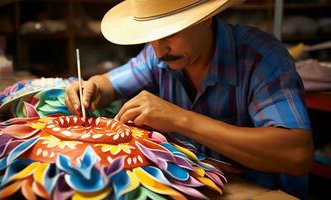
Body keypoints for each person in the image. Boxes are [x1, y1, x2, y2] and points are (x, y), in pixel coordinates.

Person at [65, 0, 313, 198]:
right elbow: (109, 84)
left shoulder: (261, 57)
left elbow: (296, 154)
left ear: (205, 18)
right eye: (152, 36)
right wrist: (92, 86)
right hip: (194, 186)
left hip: (260, 192)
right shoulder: (158, 54)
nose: (160, 51)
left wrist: (179, 119)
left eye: (170, 34)